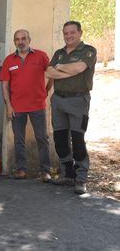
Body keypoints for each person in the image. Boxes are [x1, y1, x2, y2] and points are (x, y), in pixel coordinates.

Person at [46, 21, 96, 194]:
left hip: (78, 100)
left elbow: (80, 68)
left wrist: (60, 69)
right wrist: (68, 70)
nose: (68, 36)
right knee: (60, 139)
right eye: (66, 33)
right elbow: (49, 72)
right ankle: (67, 174)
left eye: (72, 32)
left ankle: (81, 178)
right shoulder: (59, 53)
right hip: (58, 100)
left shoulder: (88, 51)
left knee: (78, 140)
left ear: (80, 33)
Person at [0, 30, 52, 182]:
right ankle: (21, 169)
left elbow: (51, 74)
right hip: (17, 107)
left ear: (29, 40)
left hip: (37, 105)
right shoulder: (9, 60)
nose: (20, 42)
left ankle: (45, 171)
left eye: (23, 38)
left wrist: (45, 92)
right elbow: (5, 85)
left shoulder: (41, 56)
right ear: (14, 42)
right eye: (17, 39)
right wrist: (8, 105)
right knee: (19, 140)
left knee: (42, 138)